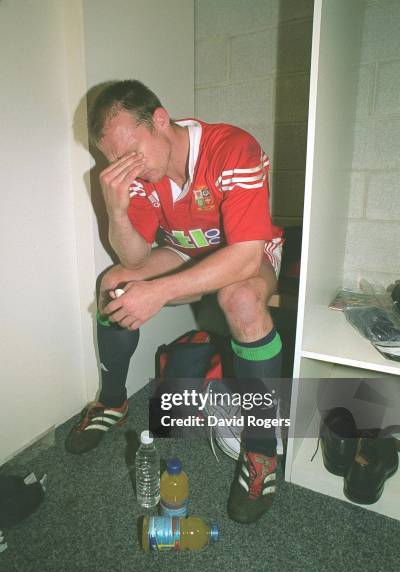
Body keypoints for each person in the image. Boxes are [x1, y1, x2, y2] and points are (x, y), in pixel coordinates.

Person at [66, 80, 284, 524]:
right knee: (115, 281)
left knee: (241, 298)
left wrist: (162, 290)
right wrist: (118, 210)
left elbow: (244, 256)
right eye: (115, 160)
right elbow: (135, 257)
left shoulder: (232, 148)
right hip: (186, 247)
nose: (127, 167)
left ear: (161, 120)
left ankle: (262, 450)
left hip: (245, 248)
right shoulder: (141, 175)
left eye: (133, 151)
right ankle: (111, 401)